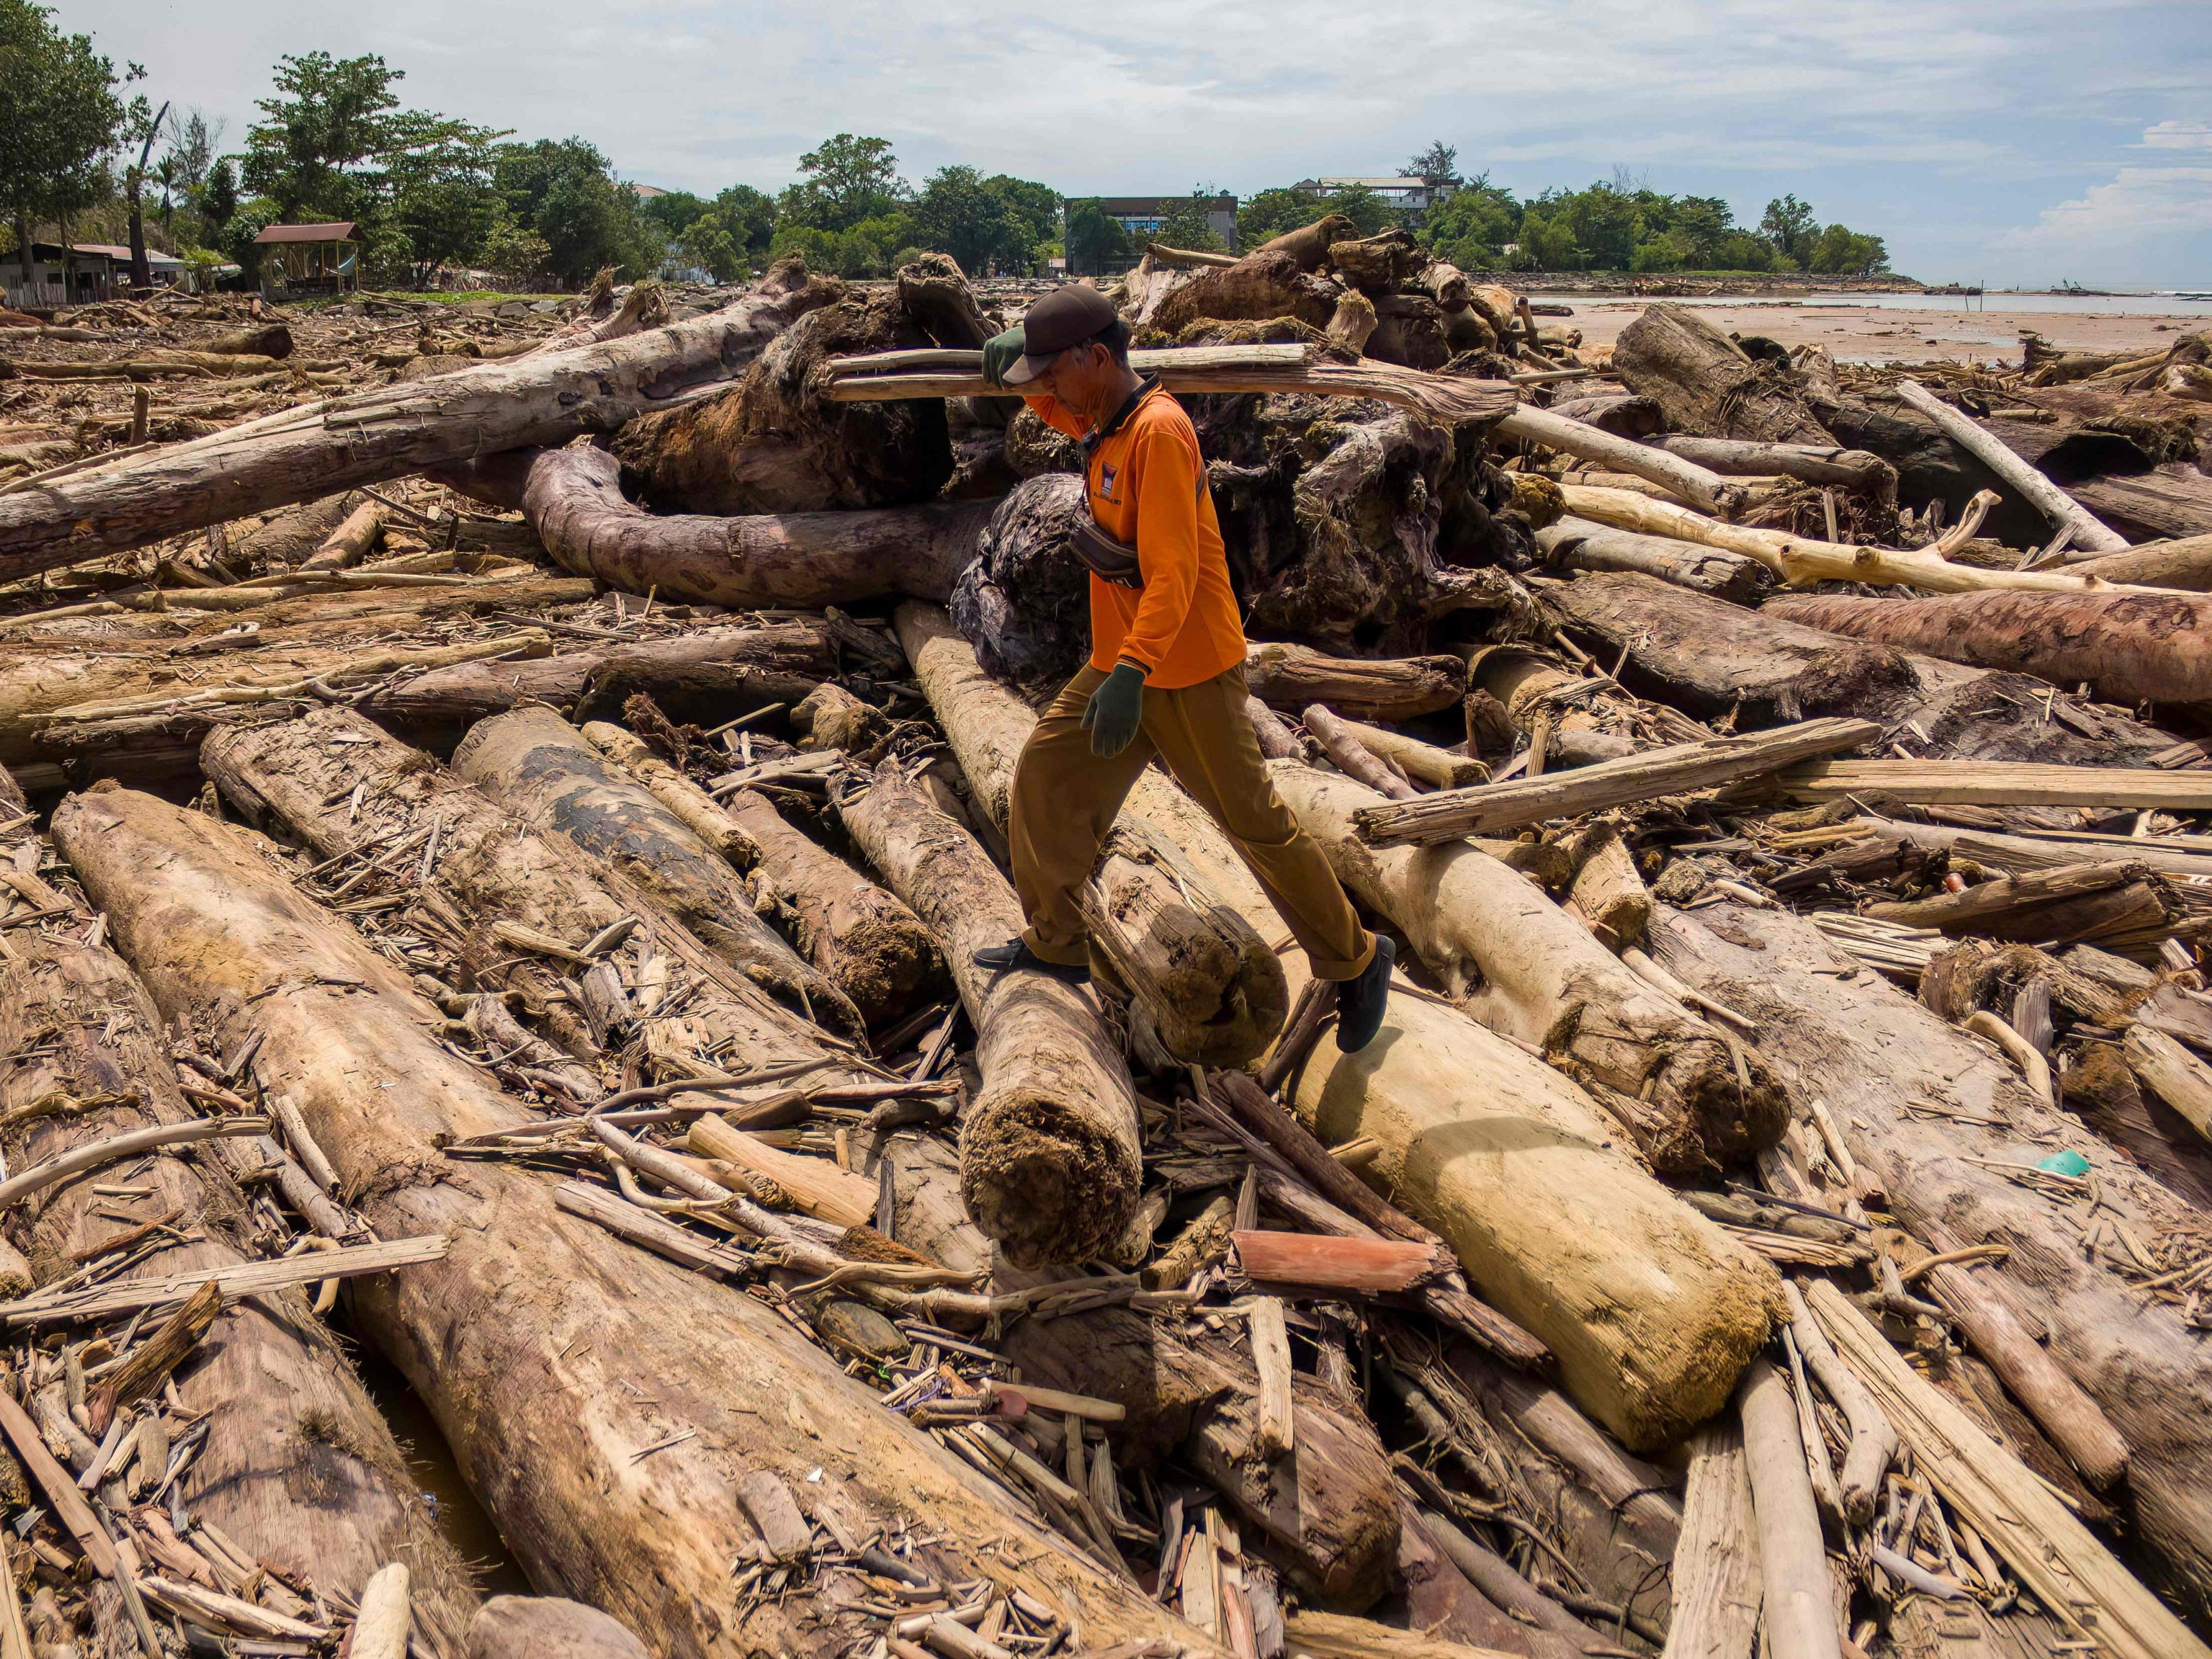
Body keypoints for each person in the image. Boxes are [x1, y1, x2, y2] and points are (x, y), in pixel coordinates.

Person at [969, 284, 1394, 1052]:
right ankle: (1056, 941)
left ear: (1096, 357)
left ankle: (1358, 957)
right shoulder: (1106, 420)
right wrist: (1019, 374)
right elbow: (1057, 410)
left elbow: (1175, 575)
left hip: (1184, 666)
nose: (1051, 388)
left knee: (1252, 821)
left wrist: (1130, 673)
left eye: (1054, 371)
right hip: (1123, 661)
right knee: (1044, 774)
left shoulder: (1159, 434)